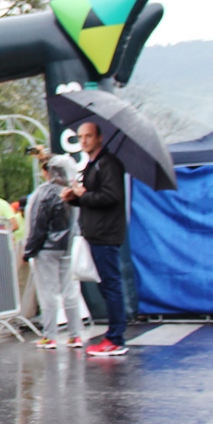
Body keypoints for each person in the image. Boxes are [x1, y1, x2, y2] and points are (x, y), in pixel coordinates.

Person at [64, 122, 129, 357]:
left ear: (99, 138)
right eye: (81, 137)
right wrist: (74, 198)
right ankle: (114, 335)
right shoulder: (93, 164)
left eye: (88, 136)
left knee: (111, 285)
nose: (84, 141)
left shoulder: (108, 163)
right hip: (96, 232)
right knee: (106, 285)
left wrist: (84, 195)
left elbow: (111, 196)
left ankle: (115, 338)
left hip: (106, 233)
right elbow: (92, 198)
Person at [25, 156, 87, 349]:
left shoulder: (44, 193)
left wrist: (29, 250)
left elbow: (38, 224)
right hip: (66, 248)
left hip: (46, 249)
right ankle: (75, 334)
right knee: (70, 291)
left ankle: (50, 335)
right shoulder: (70, 192)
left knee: (48, 292)